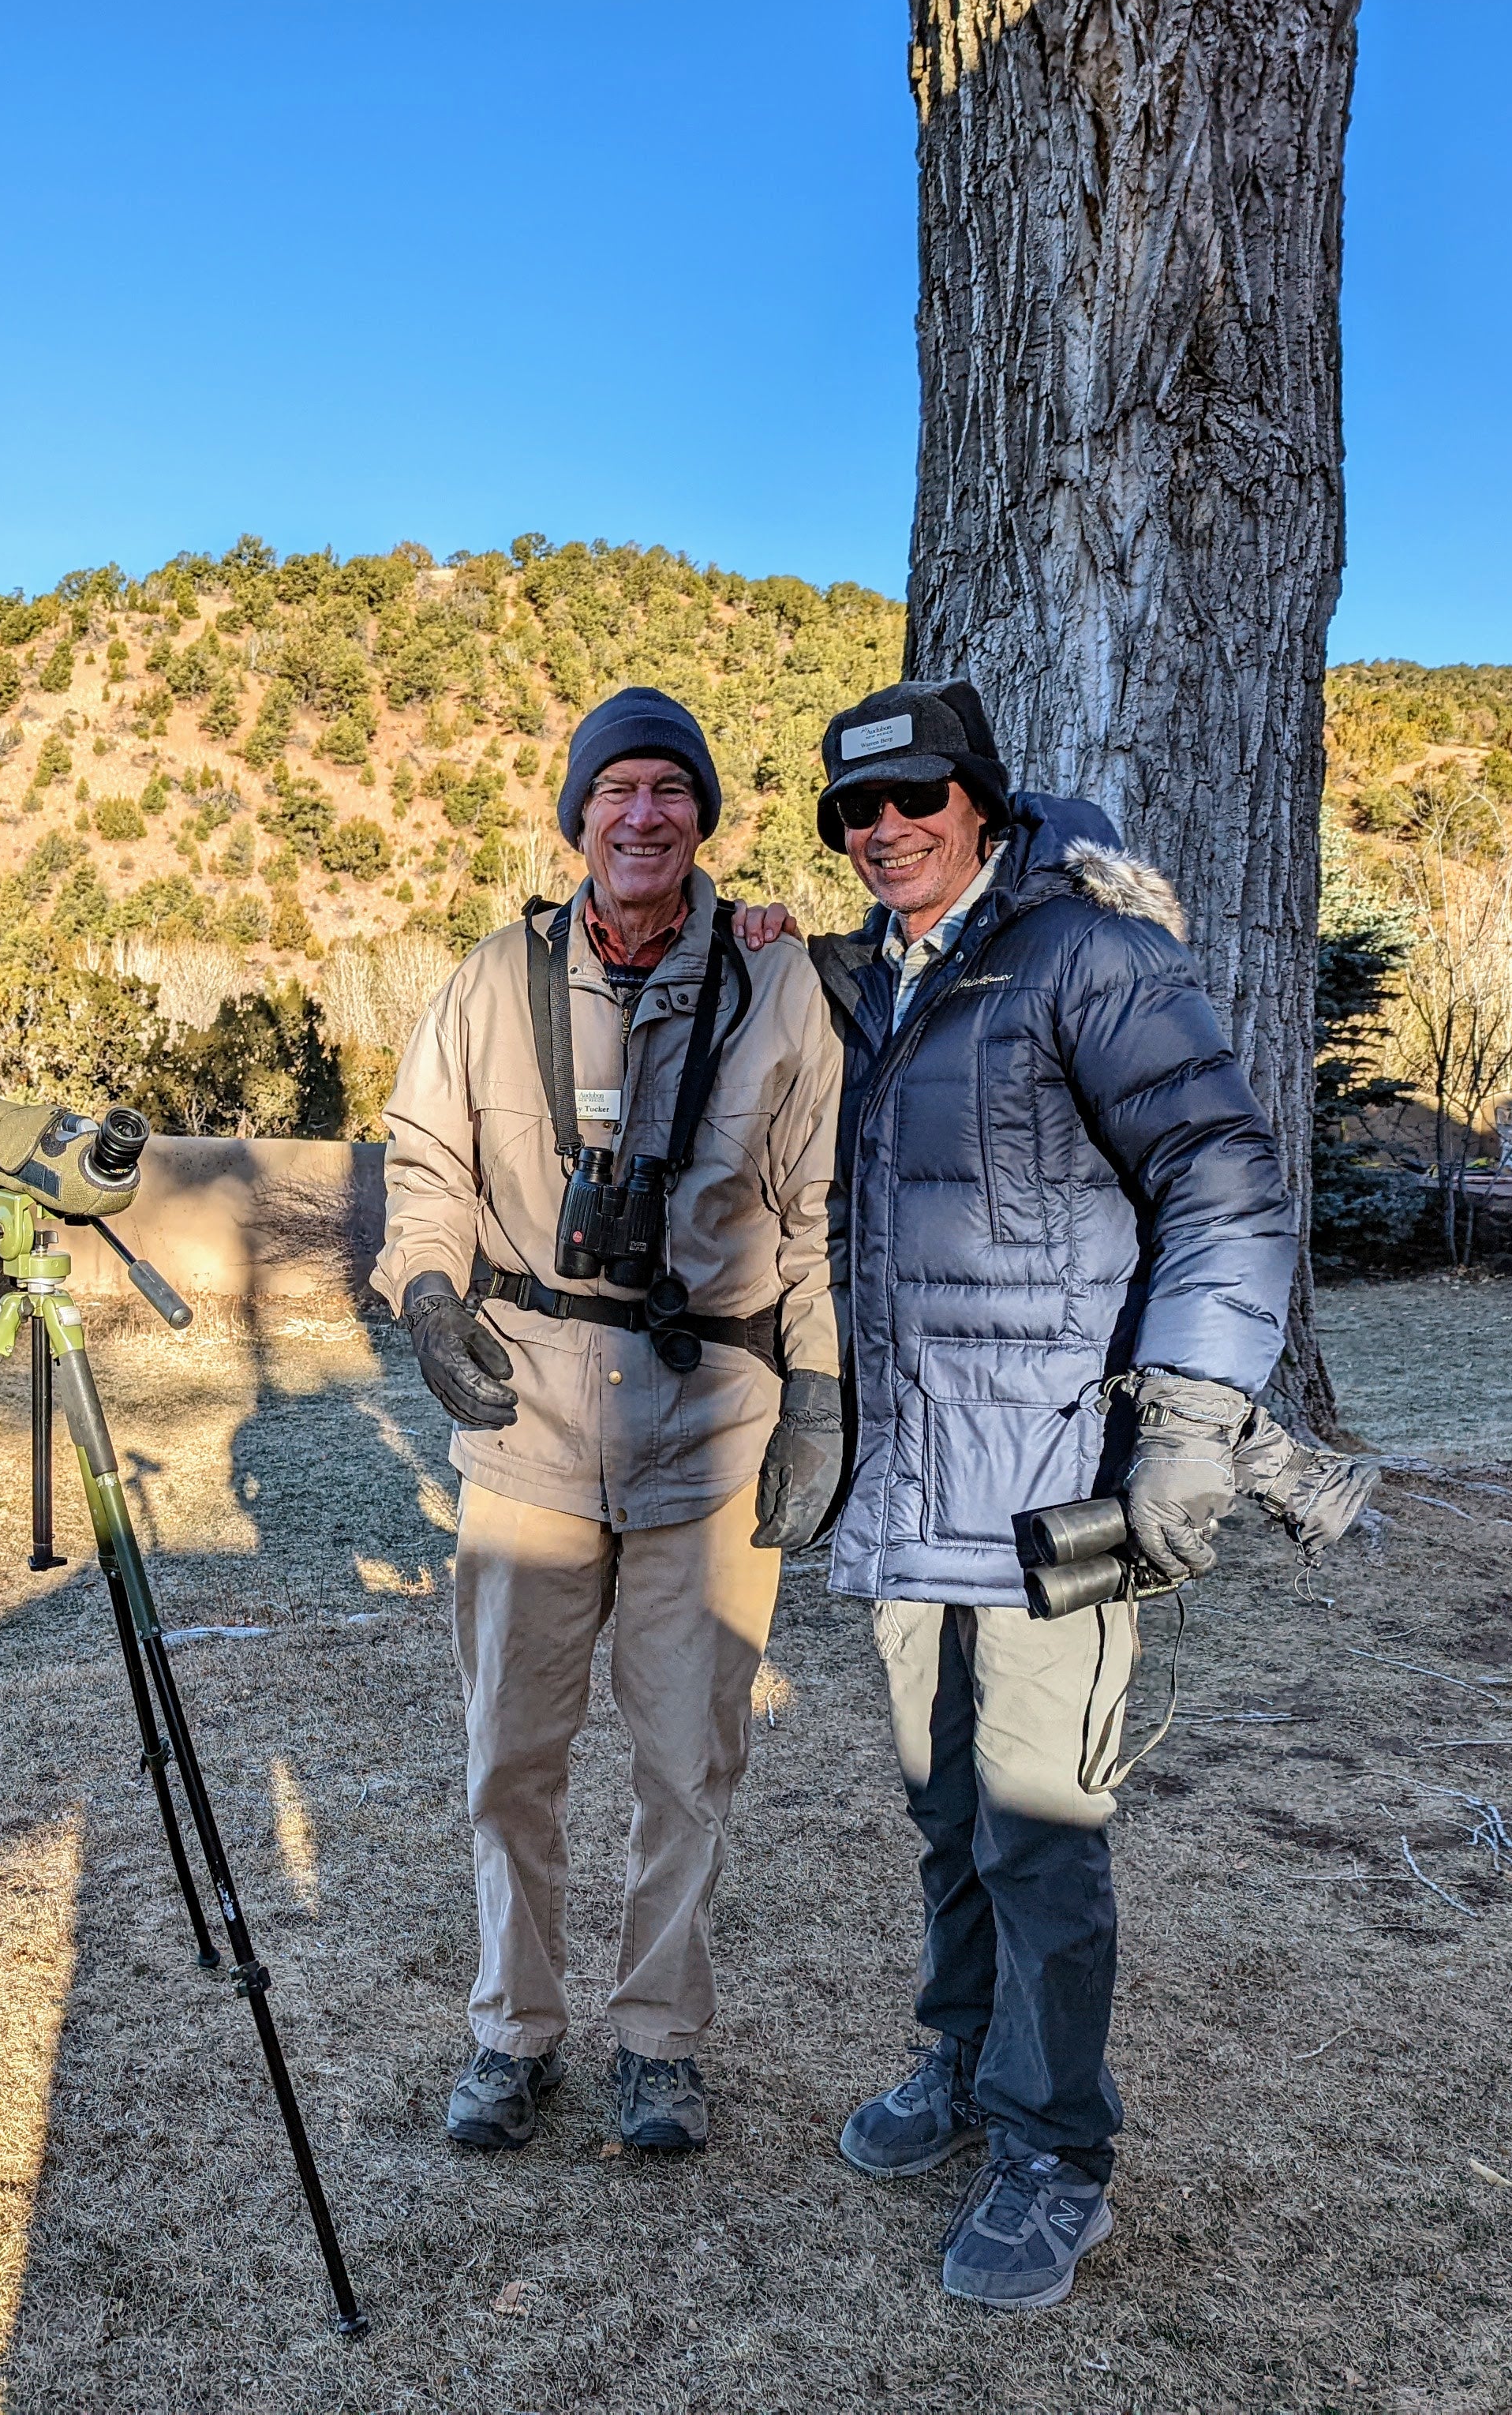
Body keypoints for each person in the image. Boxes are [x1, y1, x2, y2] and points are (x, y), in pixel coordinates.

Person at [797, 680, 1294, 2309]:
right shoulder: (866, 983)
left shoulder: (1089, 955)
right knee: (945, 1815)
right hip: (901, 1494)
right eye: (855, 815)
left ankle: (1053, 2149)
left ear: (982, 798)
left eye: (914, 799)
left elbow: (1222, 1183)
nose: (885, 832)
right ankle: (958, 2063)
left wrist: (1192, 1422)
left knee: (1041, 1830)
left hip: (1053, 1491)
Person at [375, 686, 848, 2156]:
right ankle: (513, 2031)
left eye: (670, 790)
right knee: (509, 1756)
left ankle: (657, 2041)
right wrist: (431, 1297)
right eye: (615, 791)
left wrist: (821, 1394)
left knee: (687, 1763)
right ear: (575, 815)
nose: (642, 816)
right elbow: (423, 1160)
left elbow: (819, 1212)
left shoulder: (778, 983)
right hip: (525, 1430)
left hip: (709, 1429)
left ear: (705, 815)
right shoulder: (486, 981)